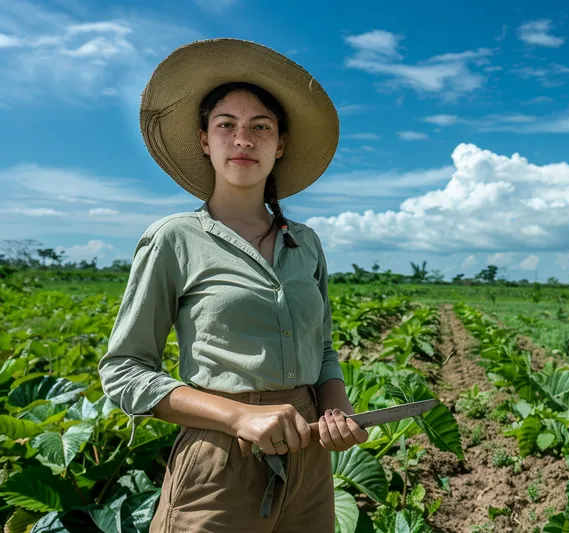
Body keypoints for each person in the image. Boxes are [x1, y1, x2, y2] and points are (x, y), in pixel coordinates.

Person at [97, 38, 368, 533]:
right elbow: (124, 371)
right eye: (227, 125)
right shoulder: (173, 239)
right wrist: (237, 417)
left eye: (260, 127)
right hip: (219, 458)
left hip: (310, 460)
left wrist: (335, 406)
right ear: (205, 139)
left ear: (279, 144)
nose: (243, 139)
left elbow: (323, 347)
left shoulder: (304, 243)